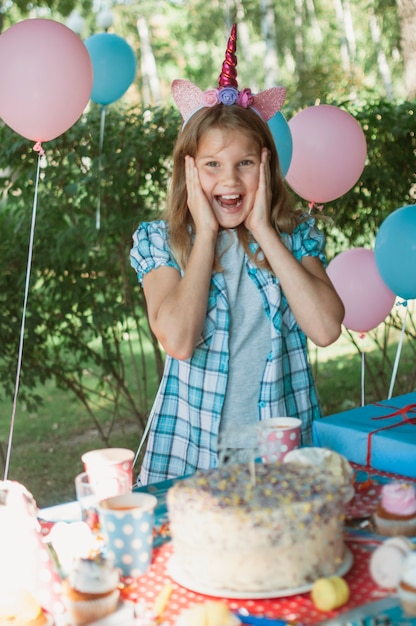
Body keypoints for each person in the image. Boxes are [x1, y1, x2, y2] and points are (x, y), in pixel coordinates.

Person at [130, 24, 345, 486]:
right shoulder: (160, 243)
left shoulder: (295, 236)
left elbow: (326, 328)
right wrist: (204, 235)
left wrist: (264, 229)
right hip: (192, 456)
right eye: (212, 166)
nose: (229, 180)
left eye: (244, 163)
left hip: (282, 456)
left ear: (266, 165)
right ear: (188, 171)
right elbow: (179, 340)